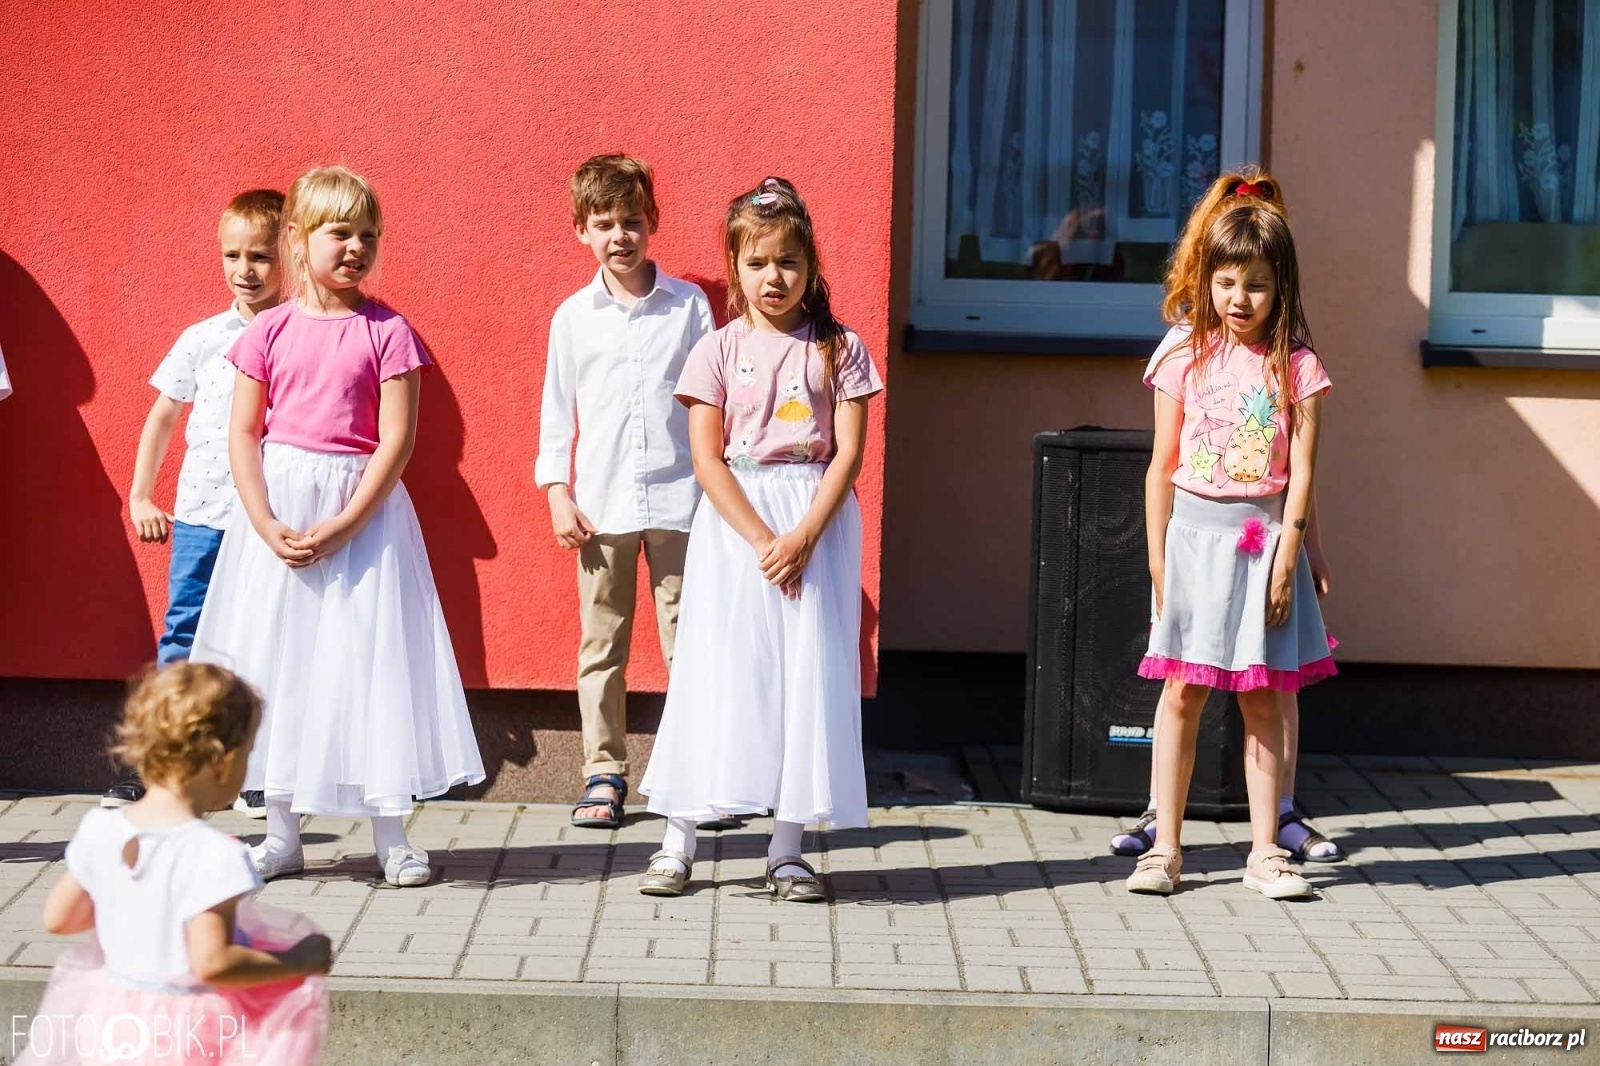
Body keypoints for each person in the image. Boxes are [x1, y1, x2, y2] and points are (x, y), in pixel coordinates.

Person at [190, 165, 484, 888]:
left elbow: (397, 442)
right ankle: (283, 832)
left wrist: (349, 522)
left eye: (368, 236)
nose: (356, 247)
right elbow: (243, 435)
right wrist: (263, 522)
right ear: (296, 239)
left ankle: (392, 834)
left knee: (368, 663)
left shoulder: (389, 332)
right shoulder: (268, 332)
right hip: (280, 518)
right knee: (282, 663)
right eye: (339, 233)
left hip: (364, 523)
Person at [636, 177, 883, 901]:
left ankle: (786, 848)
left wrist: (804, 533)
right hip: (738, 528)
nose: (772, 277)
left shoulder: (841, 350)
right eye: (756, 263)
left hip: (817, 523)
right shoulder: (715, 350)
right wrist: (761, 539)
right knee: (717, 671)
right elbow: (706, 459)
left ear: (810, 268)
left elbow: (848, 454)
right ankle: (677, 841)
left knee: (803, 677)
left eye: (787, 263)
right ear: (735, 268)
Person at [1109, 170, 1342, 865]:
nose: (1240, 299)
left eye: (1258, 285)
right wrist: (1157, 559)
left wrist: (1298, 555)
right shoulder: (1183, 355)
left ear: (1283, 288)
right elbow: (1162, 465)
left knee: (1264, 697)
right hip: (1192, 544)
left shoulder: (1299, 370)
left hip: (1263, 545)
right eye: (1227, 281)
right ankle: (1166, 845)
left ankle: (1268, 846)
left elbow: (1299, 472)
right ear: (1207, 277)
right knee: (1182, 691)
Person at [20, 663, 329, 1065]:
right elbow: (214, 962)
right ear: (223, 761)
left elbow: (60, 919)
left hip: (110, 1017)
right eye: (248, 755)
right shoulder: (212, 853)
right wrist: (298, 960)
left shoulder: (101, 828)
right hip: (181, 1034)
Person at [535, 155, 714, 829]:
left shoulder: (690, 307)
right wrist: (557, 490)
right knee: (602, 644)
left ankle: (696, 772)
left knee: (690, 641)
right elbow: (558, 412)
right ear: (581, 229)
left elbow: (710, 404)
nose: (620, 236)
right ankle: (604, 774)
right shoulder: (572, 317)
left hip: (682, 502)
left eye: (631, 221)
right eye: (604, 223)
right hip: (601, 504)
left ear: (653, 223)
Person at [104, 190, 285, 819]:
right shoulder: (204, 338)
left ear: (288, 254)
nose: (245, 269)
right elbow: (161, 417)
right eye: (232, 255)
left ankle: (256, 769)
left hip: (266, 519)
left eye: (260, 255)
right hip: (203, 515)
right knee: (184, 632)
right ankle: (159, 766)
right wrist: (140, 495)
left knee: (261, 639)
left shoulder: (296, 335)